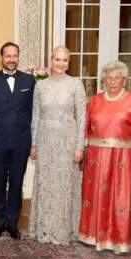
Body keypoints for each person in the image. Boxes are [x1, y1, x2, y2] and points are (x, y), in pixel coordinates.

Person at [78, 60, 131, 254]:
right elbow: (84, 131)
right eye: (109, 78)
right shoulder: (94, 100)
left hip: (123, 158)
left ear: (125, 80)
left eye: (117, 78)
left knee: (120, 198)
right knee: (95, 196)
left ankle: (118, 239)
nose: (113, 82)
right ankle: (94, 236)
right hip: (95, 158)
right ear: (103, 80)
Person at [28, 46, 86, 245]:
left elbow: (82, 118)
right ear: (51, 60)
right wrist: (34, 143)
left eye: (65, 60)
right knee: (46, 184)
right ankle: (43, 228)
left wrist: (80, 146)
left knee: (64, 185)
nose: (61, 63)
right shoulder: (41, 86)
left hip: (67, 141)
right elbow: (36, 116)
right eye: (57, 59)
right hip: (44, 140)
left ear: (69, 63)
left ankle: (64, 230)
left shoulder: (76, 85)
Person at [0, 42, 36, 240]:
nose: (11, 59)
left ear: (18, 57)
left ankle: (13, 223)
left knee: (16, 182)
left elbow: (32, 112)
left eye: (14, 56)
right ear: (1, 58)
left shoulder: (29, 81)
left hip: (21, 140)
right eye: (7, 56)